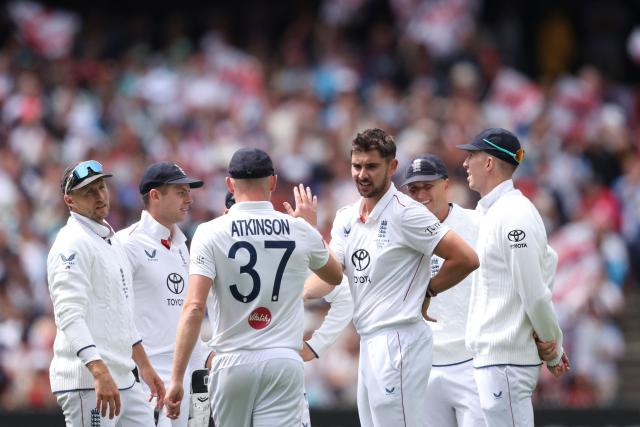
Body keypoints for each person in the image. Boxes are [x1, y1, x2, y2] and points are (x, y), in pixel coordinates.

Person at [165, 148, 344, 427]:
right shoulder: (297, 229)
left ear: (229, 185)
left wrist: (178, 377)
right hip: (283, 360)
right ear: (273, 182)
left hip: (231, 362)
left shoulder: (209, 232)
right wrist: (309, 230)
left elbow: (194, 307)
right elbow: (334, 275)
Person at [322, 128, 479, 427]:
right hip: (372, 339)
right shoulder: (348, 216)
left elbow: (468, 259)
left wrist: (427, 292)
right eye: (357, 166)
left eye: (371, 166)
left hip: (405, 341)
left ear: (392, 167)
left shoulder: (409, 213)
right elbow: (330, 273)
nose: (362, 174)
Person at [458, 128, 570, 426]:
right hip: (495, 363)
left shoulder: (513, 215)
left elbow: (534, 292)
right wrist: (549, 341)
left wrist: (553, 346)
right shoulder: (494, 213)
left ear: (490, 163)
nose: (465, 163)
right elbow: (550, 261)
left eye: (471, 155)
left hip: (505, 364)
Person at [47, 160, 164, 426]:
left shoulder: (108, 239)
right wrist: (98, 371)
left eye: (101, 187)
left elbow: (120, 312)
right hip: (90, 382)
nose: (100, 196)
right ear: (70, 201)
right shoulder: (72, 243)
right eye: (89, 192)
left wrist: (144, 366)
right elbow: (69, 314)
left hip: (123, 377)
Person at [116, 162, 207, 427]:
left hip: (184, 378)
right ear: (155, 195)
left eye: (188, 192)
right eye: (180, 192)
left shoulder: (182, 245)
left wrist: (199, 376)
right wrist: (141, 368)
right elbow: (117, 312)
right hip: (147, 382)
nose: (189, 199)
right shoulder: (127, 243)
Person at [401, 154, 485, 427]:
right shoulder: (398, 233)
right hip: (423, 364)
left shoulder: (476, 223)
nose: (421, 194)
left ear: (445, 184)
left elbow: (541, 259)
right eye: (414, 189)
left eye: (428, 186)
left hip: (472, 360)